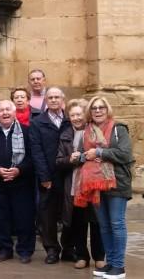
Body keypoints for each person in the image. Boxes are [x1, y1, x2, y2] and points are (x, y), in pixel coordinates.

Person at [79, 97, 134, 279]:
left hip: (116, 182)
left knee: (116, 224)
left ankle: (119, 266)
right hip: (97, 184)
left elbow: (125, 154)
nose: (97, 110)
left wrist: (100, 152)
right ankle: (110, 263)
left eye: (101, 107)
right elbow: (87, 155)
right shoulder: (88, 130)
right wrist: (80, 156)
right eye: (94, 108)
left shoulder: (118, 129)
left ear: (107, 109)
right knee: (104, 226)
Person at [0, 100, 35, 264]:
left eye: (8, 109)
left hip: (22, 183)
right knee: (1, 219)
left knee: (24, 218)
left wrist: (19, 170)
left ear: (14, 112)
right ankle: (4, 249)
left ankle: (25, 250)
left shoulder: (26, 132)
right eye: (1, 110)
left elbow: (33, 157)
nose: (5, 113)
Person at [54, 99, 105, 270]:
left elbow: (103, 153)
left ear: (85, 115)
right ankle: (82, 256)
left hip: (94, 184)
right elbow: (59, 161)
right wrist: (70, 159)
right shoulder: (66, 135)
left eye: (79, 114)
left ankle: (99, 256)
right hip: (74, 185)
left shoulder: (95, 131)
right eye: (73, 115)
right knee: (78, 222)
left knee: (97, 222)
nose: (76, 118)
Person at [29, 87, 74, 264]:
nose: (54, 100)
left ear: (62, 100)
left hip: (69, 173)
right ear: (45, 101)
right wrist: (44, 177)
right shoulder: (38, 122)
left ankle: (69, 248)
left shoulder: (70, 120)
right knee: (47, 215)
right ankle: (52, 249)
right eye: (50, 97)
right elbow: (37, 151)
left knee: (70, 212)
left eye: (57, 97)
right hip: (48, 175)